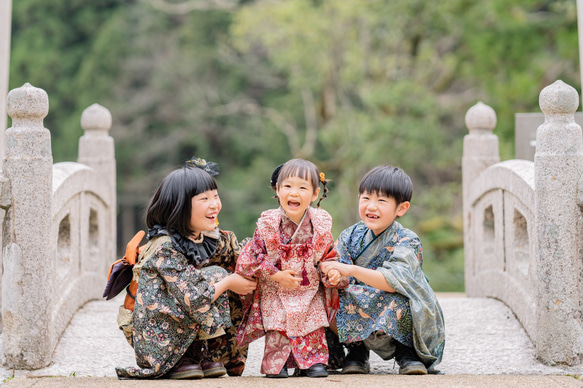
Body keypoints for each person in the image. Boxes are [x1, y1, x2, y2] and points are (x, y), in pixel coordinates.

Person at [116, 157, 257, 380]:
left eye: (216, 196)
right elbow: (195, 298)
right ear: (177, 206)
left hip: (183, 330)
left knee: (227, 273)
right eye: (204, 198)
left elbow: (244, 261)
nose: (215, 205)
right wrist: (230, 282)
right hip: (156, 340)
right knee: (219, 277)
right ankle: (180, 358)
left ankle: (202, 354)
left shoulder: (209, 239)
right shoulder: (164, 246)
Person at [320, 165, 445, 375]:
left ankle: (406, 351)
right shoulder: (351, 235)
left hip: (395, 301)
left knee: (401, 299)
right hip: (358, 301)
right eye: (366, 198)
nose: (371, 206)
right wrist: (335, 275)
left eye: (381, 201)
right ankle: (356, 350)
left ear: (401, 208)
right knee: (326, 295)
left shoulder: (408, 240)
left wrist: (350, 270)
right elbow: (337, 265)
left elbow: (392, 280)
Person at [235, 159, 348, 378]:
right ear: (277, 190)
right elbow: (250, 257)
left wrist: (331, 271)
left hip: (308, 287)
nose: (293, 193)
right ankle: (278, 365)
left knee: (312, 321)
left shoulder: (320, 224)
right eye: (287, 186)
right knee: (279, 324)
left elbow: (329, 255)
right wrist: (276, 274)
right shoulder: (268, 224)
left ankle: (314, 362)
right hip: (276, 287)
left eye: (302, 187)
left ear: (315, 194)